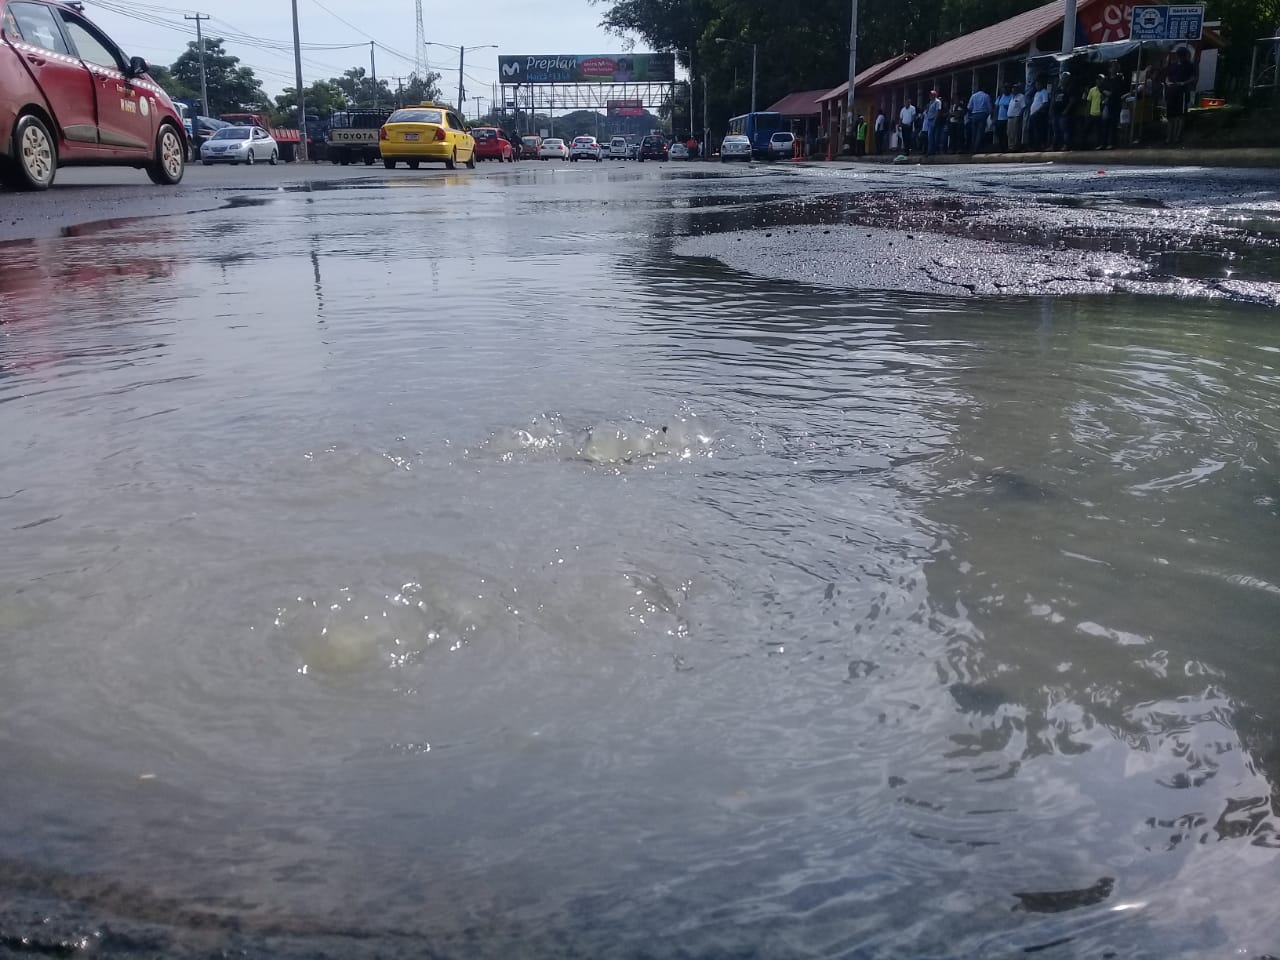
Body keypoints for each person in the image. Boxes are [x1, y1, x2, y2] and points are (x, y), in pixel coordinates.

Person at [1165, 47, 1196, 144]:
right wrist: (1168, 82)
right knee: (1170, 116)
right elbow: (1167, 77)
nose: (1179, 57)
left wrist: (1184, 83)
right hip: (1171, 91)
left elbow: (1193, 77)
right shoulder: (1173, 65)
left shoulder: (1189, 65)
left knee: (1180, 116)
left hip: (1182, 92)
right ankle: (1169, 137)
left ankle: (1177, 137)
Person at [967, 84, 993, 153]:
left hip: (974, 115)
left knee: (974, 133)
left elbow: (969, 107)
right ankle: (976, 149)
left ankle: (972, 148)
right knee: (979, 133)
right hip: (982, 115)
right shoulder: (986, 96)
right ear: (983, 88)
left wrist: (970, 116)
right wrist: (990, 115)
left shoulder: (973, 96)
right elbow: (989, 108)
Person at [1050, 73, 1073, 150]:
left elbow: (1072, 100)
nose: (1063, 79)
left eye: (1065, 78)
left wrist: (1066, 110)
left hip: (1063, 113)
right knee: (1055, 131)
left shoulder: (1069, 88)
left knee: (1065, 130)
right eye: (1062, 78)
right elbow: (1053, 100)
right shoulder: (1058, 89)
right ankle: (1054, 146)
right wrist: (1051, 110)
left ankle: (1066, 145)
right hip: (1055, 112)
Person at [1027, 79, 1050, 150]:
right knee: (1031, 130)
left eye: (1038, 84)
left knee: (1039, 130)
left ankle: (1040, 145)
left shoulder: (1044, 92)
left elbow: (1045, 103)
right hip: (1032, 114)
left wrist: (1037, 112)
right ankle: (1033, 145)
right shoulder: (1036, 93)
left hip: (1039, 114)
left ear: (1042, 84)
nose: (1037, 86)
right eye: (1036, 85)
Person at [1085, 74, 1105, 149]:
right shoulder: (1092, 90)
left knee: (1099, 131)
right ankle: (1084, 145)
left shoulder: (1104, 90)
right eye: (1099, 79)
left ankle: (1099, 145)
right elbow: (1088, 101)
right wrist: (1087, 112)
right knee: (1087, 130)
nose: (1100, 81)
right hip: (1092, 113)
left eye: (1102, 79)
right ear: (1096, 81)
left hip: (1100, 114)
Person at [1006, 84, 1027, 151]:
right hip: (1009, 117)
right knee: (1009, 133)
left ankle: (1015, 147)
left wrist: (1019, 116)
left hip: (1016, 117)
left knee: (1015, 133)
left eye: (1015, 88)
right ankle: (1010, 147)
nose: (1013, 89)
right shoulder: (1012, 97)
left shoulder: (1021, 97)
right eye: (1012, 88)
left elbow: (1023, 107)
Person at [922, 89, 943, 156]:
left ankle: (934, 150)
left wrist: (934, 120)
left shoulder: (937, 102)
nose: (930, 96)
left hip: (934, 120)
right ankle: (930, 150)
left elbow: (938, 111)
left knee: (935, 136)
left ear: (934, 95)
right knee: (930, 136)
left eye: (931, 95)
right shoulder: (931, 102)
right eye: (930, 95)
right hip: (929, 120)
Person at [995, 83, 1014, 151]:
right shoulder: (1000, 97)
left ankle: (1006, 147)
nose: (1005, 90)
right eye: (1004, 88)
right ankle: (1001, 147)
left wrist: (1008, 107)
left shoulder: (1012, 96)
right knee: (999, 134)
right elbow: (996, 107)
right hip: (999, 119)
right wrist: (995, 118)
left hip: (1007, 118)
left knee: (1006, 134)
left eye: (1007, 88)